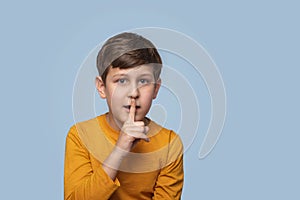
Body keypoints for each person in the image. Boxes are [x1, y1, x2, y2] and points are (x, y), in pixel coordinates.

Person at [64, 32, 184, 200]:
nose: (133, 93)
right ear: (101, 87)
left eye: (143, 81)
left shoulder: (170, 144)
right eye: (121, 81)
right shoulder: (80, 136)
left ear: (156, 89)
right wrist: (119, 151)